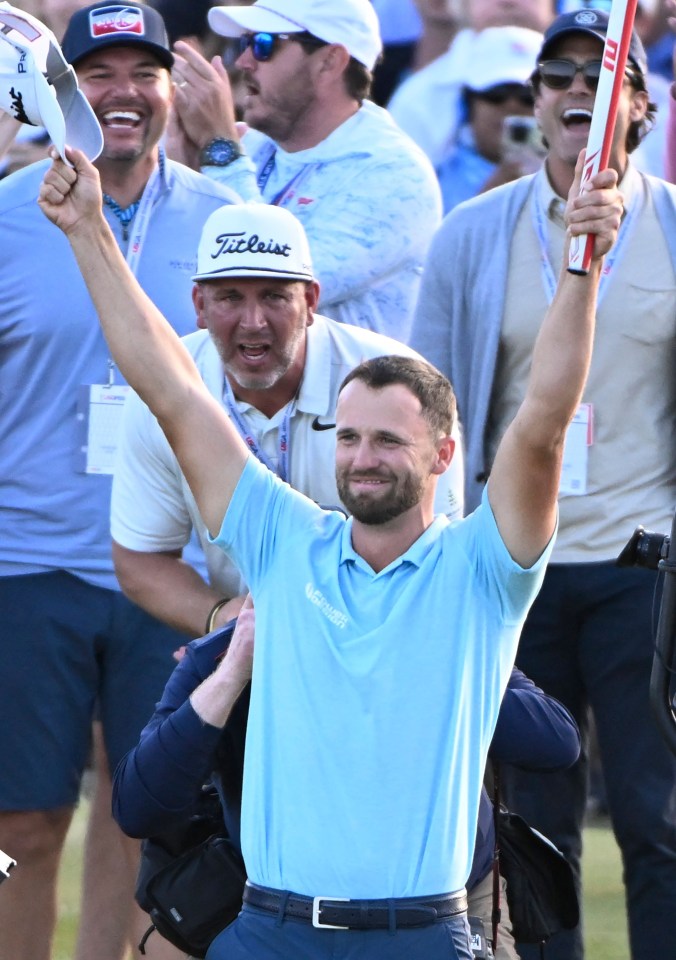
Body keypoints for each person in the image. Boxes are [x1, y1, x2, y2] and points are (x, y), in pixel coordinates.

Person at [37, 120, 620, 960]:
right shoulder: (282, 540)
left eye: (389, 441)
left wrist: (582, 267)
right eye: (348, 439)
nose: (362, 459)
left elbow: (544, 423)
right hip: (270, 932)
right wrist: (90, 230)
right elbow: (168, 385)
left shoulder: (481, 572)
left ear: (445, 455)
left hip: (422, 937)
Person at [410, 9, 676, 960]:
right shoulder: (471, 236)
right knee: (531, 822)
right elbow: (426, 412)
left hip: (646, 565)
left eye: (603, 78)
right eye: (559, 76)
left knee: (659, 820)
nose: (579, 92)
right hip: (514, 566)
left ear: (641, 108)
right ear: (534, 105)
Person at [0, 3, 241, 959]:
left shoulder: (223, 221)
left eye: (144, 73)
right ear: (60, 96)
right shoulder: (10, 214)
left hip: (169, 568)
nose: (124, 95)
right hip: (29, 566)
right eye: (97, 75)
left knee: (147, 817)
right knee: (16, 826)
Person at [113, 609, 580, 960]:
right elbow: (138, 808)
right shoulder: (232, 650)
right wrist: (232, 673)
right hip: (283, 908)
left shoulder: (438, 629)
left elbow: (556, 742)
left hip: (449, 902)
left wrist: (421, 655)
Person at [110, 202, 464, 638]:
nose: (254, 322)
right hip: (249, 652)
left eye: (275, 296)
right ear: (199, 305)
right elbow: (140, 559)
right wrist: (223, 621)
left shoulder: (399, 384)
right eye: (230, 297)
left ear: (311, 300)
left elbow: (440, 553)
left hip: (383, 637)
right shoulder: (162, 391)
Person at [165, 0, 442, 343]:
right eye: (244, 43)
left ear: (330, 62)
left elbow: (272, 283)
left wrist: (220, 150)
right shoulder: (252, 147)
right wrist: (183, 175)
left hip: (346, 395)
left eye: (264, 44)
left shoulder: (395, 174)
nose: (244, 61)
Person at [388, 0, 555, 168]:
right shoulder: (417, 96)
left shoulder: (577, 87)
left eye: (527, 97)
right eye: (495, 96)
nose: (507, 2)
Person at [433, 25, 544, 214]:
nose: (512, 106)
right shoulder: (436, 180)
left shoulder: (573, 173)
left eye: (527, 96)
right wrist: (488, 199)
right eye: (496, 93)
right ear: (468, 104)